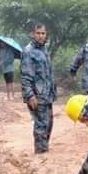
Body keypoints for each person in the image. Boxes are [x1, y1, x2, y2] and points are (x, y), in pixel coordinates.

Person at [21, 22, 56, 154]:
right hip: (37, 95)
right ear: (32, 34)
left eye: (43, 33)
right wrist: (30, 95)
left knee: (49, 123)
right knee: (41, 124)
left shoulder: (44, 50)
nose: (41, 36)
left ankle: (44, 149)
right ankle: (41, 153)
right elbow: (25, 75)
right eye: (38, 33)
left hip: (47, 94)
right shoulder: (28, 51)